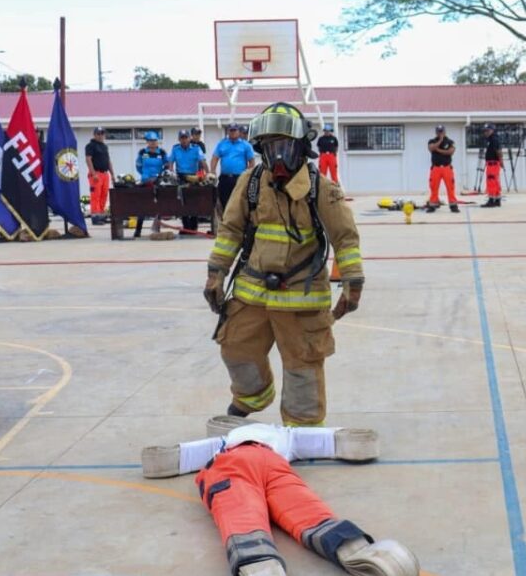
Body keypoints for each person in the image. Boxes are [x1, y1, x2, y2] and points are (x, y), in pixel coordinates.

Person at [204, 102, 364, 427]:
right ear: (261, 148)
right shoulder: (250, 183)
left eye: (285, 146)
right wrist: (215, 274)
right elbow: (231, 231)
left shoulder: (322, 190)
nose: (278, 156)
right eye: (271, 147)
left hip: (302, 300)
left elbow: (345, 239)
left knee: (302, 364)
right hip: (252, 294)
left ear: (302, 147)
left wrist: (353, 283)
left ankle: (302, 428)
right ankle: (253, 396)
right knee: (234, 347)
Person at [142, 421, 420, 576]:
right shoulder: (284, 436)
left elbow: (176, 458)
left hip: (242, 466)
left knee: (245, 516)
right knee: (303, 511)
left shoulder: (229, 440)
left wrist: (160, 457)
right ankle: (365, 553)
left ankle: (262, 567)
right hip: (263, 466)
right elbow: (328, 441)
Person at [211, 123, 256, 211]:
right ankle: (226, 221)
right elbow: (214, 158)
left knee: (239, 202)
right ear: (228, 132)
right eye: (231, 130)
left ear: (239, 132)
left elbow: (252, 161)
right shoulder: (222, 144)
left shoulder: (246, 145)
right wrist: (212, 171)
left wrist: (247, 174)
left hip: (239, 178)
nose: (232, 132)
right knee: (224, 202)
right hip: (225, 178)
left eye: (234, 130)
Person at [169, 129, 207, 234]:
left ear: (189, 138)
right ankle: (186, 227)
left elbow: (202, 161)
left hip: (194, 177)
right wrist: (171, 173)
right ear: (179, 139)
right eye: (182, 138)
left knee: (194, 202)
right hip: (180, 177)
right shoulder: (175, 149)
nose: (184, 140)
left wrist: (208, 174)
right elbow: (170, 162)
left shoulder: (196, 148)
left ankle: (194, 227)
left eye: (186, 137)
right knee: (182, 203)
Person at [84, 127, 115, 226]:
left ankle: (101, 215)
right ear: (95, 135)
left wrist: (112, 174)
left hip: (105, 174)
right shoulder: (90, 146)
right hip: (96, 174)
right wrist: (93, 174)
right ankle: (95, 217)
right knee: (95, 196)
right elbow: (88, 159)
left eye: (102, 134)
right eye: (98, 134)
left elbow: (108, 161)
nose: (101, 136)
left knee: (104, 195)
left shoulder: (104, 146)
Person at [426, 125, 459, 213]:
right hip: (435, 168)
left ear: (445, 131)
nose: (440, 133)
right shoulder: (432, 141)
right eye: (438, 131)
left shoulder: (450, 141)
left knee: (450, 187)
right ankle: (433, 204)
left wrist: (438, 150)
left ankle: (453, 205)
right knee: (433, 187)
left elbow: (450, 152)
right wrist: (440, 141)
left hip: (447, 168)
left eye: (441, 131)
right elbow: (431, 148)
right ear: (436, 132)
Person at [480, 123, 503, 208]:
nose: (485, 132)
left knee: (491, 181)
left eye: (487, 130)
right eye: (485, 131)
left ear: (492, 130)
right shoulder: (491, 139)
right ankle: (497, 199)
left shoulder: (494, 139)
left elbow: (499, 151)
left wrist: (501, 161)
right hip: (492, 163)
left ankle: (491, 200)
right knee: (495, 181)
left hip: (493, 163)